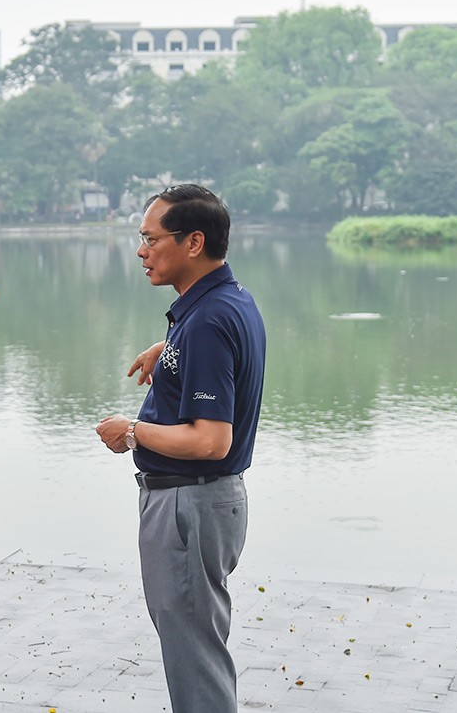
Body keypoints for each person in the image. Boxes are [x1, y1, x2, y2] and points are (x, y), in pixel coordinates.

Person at [94, 184, 266, 712]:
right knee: (194, 647)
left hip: (190, 502)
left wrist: (132, 431)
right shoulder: (220, 303)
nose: (142, 251)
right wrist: (169, 350)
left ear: (194, 242)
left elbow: (211, 440)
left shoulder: (209, 320)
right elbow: (216, 356)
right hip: (197, 501)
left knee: (195, 660)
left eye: (151, 239)